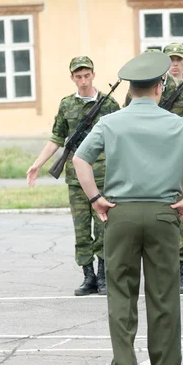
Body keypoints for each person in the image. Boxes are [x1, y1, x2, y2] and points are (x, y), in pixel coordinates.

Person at [73, 51, 183, 365]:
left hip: (119, 214)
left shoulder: (110, 122)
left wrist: (96, 198)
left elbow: (81, 160)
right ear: (159, 87)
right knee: (164, 290)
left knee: (121, 290)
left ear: (131, 89)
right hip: (164, 215)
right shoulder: (176, 123)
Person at [26, 56, 120, 296]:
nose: (83, 81)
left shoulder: (108, 104)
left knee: (103, 229)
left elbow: (120, 137)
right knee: (81, 230)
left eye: (87, 75)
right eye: (78, 76)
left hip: (102, 176)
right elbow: (57, 137)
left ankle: (103, 276)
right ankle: (87, 276)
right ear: (72, 78)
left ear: (93, 75)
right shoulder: (67, 104)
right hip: (75, 179)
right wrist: (37, 164)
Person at [124, 45, 183, 292]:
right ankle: (157, 266)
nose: (172, 63)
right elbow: (126, 120)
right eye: (168, 59)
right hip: (147, 160)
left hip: (180, 159)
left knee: (182, 215)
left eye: (176, 59)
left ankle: (182, 267)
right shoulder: (138, 89)